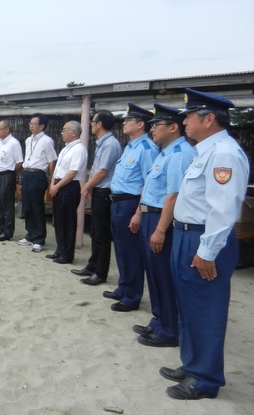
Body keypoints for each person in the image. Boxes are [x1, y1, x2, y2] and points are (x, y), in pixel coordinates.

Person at [160, 89, 248, 401]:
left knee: (206, 308)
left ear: (208, 119)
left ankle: (206, 379)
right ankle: (193, 364)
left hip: (204, 239)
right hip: (187, 236)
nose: (183, 120)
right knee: (188, 305)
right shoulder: (204, 151)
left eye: (189, 115)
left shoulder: (223, 153)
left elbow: (223, 210)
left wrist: (207, 252)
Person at [131, 104, 194, 347]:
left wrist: (159, 229)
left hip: (161, 219)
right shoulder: (165, 151)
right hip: (150, 215)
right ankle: (159, 320)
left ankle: (169, 330)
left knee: (163, 275)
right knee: (153, 273)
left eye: (157, 124)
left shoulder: (180, 154)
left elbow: (173, 195)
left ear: (173, 127)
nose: (152, 128)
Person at [105, 103, 158, 312]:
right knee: (121, 248)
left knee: (132, 252)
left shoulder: (147, 149)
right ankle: (124, 287)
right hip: (118, 202)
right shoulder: (131, 145)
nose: (124, 123)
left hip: (131, 204)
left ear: (140, 124)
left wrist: (138, 212)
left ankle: (132, 296)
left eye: (129, 120)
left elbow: (149, 183)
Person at [71, 110, 122, 285]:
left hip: (105, 193)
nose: (91, 125)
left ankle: (100, 273)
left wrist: (87, 185)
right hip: (98, 191)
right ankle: (92, 266)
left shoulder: (110, 144)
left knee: (101, 234)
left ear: (99, 124)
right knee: (94, 232)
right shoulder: (103, 143)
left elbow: (102, 172)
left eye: (93, 122)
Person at [47, 121, 88, 264]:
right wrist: (53, 184)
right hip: (58, 184)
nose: (62, 133)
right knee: (58, 220)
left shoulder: (79, 149)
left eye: (64, 130)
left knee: (68, 221)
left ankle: (67, 254)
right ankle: (60, 249)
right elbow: (57, 170)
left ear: (74, 132)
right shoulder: (65, 149)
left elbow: (72, 172)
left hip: (69, 187)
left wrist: (57, 187)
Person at [17, 113, 57, 253]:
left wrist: (52, 181)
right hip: (27, 173)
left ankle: (39, 239)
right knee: (27, 207)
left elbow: (51, 161)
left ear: (42, 126)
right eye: (30, 123)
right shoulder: (29, 140)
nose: (31, 126)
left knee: (37, 207)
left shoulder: (47, 141)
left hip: (38, 174)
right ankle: (30, 234)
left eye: (34, 124)